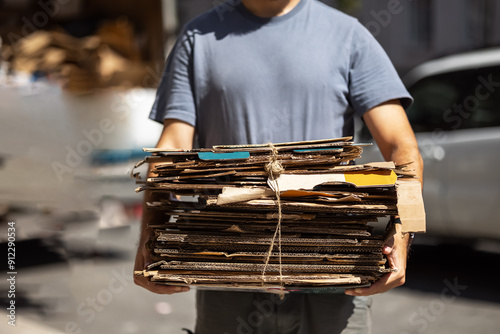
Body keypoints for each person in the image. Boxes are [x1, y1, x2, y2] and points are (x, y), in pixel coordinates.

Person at [134, 0, 423, 333]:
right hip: (227, 267)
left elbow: (402, 149)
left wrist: (402, 235)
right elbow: (172, 147)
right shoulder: (198, 38)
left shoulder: (348, 36)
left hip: (333, 270)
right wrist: (149, 237)